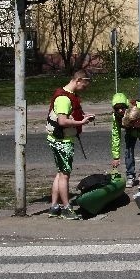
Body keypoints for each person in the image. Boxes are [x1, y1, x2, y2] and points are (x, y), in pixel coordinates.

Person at [46, 70, 95, 220]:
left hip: (59, 140)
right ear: (78, 80)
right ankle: (66, 207)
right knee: (65, 175)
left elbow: (69, 115)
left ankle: (54, 206)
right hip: (62, 141)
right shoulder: (63, 98)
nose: (85, 89)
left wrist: (83, 117)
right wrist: (81, 122)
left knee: (60, 173)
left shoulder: (68, 96)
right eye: (84, 85)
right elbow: (62, 121)